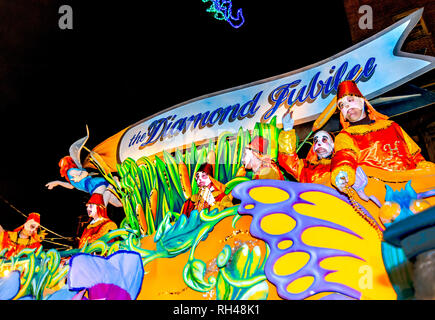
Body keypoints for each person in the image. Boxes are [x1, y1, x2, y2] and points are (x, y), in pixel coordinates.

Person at [331, 80, 435, 192]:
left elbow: (415, 156)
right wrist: (342, 174)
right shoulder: (345, 136)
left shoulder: (392, 126)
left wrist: (425, 169)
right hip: (378, 194)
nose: (346, 106)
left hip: (412, 187)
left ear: (362, 102)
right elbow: (344, 158)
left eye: (350, 100)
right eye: (341, 105)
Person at [278, 109, 334, 184]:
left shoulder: (344, 162)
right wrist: (287, 129)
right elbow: (288, 159)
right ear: (313, 148)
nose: (319, 143)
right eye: (316, 141)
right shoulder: (306, 169)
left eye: (324, 139)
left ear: (333, 144)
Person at [46, 156, 122, 208]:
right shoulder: (71, 176)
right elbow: (71, 186)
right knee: (118, 204)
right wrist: (57, 182)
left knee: (101, 205)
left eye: (62, 165)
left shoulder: (70, 171)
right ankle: (131, 204)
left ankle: (114, 181)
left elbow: (85, 173)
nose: (61, 167)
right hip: (93, 186)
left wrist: (79, 177)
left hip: (93, 185)